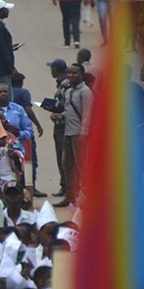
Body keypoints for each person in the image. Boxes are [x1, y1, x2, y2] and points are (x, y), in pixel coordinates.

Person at [52, 63, 92, 207]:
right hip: (68, 132)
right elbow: (69, 111)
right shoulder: (69, 91)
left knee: (81, 166)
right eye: (70, 73)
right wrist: (60, 116)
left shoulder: (85, 92)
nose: (71, 76)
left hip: (78, 134)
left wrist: (83, 134)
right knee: (66, 165)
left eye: (75, 73)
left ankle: (87, 197)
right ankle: (70, 197)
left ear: (81, 75)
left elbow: (87, 114)